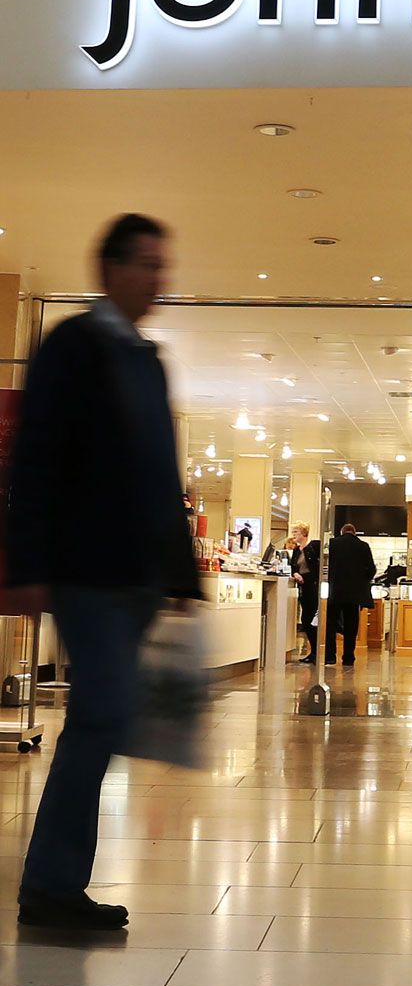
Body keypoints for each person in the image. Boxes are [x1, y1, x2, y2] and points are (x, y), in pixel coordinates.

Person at [5, 213, 200, 930]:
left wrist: (182, 579)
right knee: (102, 714)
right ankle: (51, 885)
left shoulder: (147, 359)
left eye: (161, 264)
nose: (159, 278)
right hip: (87, 572)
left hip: (136, 575)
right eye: (148, 264)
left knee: (103, 716)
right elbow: (36, 460)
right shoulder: (73, 348)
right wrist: (26, 563)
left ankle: (55, 883)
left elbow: (159, 472)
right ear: (111, 270)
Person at [326, 522, 376, 667]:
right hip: (355, 593)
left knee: (331, 624)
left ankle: (330, 656)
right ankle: (348, 657)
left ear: (341, 532)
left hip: (335, 591)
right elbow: (371, 569)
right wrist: (361, 580)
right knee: (351, 626)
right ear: (355, 533)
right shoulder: (363, 546)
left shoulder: (333, 543)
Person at [289, 521, 320, 664]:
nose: (293, 534)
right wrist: (295, 573)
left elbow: (316, 570)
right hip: (302, 588)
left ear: (303, 533)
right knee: (306, 619)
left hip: (311, 589)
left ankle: (315, 652)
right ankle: (313, 651)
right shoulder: (296, 550)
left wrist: (304, 577)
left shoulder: (313, 548)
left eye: (296, 532)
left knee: (309, 620)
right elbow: (293, 566)